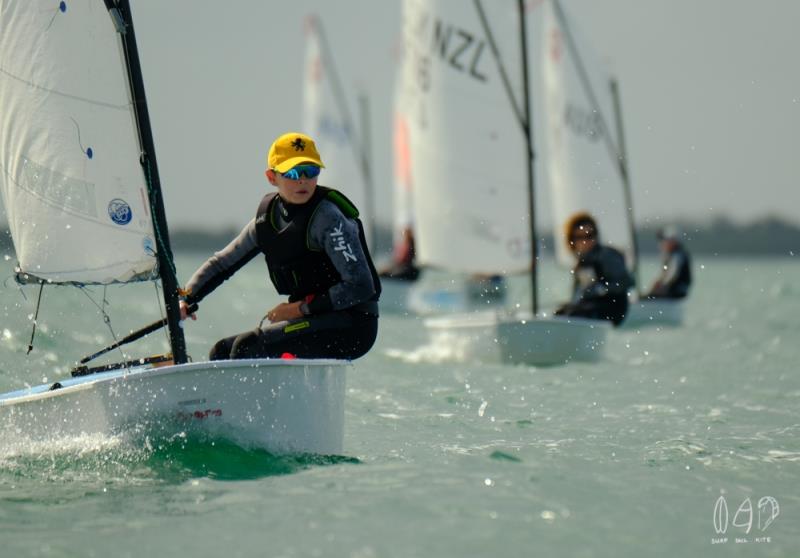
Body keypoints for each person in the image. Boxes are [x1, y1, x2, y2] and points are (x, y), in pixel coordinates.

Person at [179, 132, 381, 360]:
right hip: (312, 319)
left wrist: (297, 309)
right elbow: (222, 263)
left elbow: (361, 286)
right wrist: (186, 298)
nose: (303, 180)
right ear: (272, 177)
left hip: (351, 325)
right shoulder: (267, 220)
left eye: (311, 172)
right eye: (293, 173)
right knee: (222, 351)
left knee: (248, 347)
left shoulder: (328, 218)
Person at [554, 212, 633, 326]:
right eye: (580, 237)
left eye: (590, 235)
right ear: (572, 240)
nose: (586, 241)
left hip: (611, 310)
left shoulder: (607, 256)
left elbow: (628, 281)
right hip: (589, 309)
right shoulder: (580, 264)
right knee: (561, 313)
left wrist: (601, 289)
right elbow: (577, 293)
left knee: (575, 315)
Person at [646, 226, 692, 299]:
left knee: (653, 293)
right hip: (675, 289)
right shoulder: (672, 255)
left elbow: (672, 275)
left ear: (674, 241)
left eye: (666, 241)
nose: (663, 243)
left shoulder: (678, 256)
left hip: (678, 291)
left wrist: (662, 285)